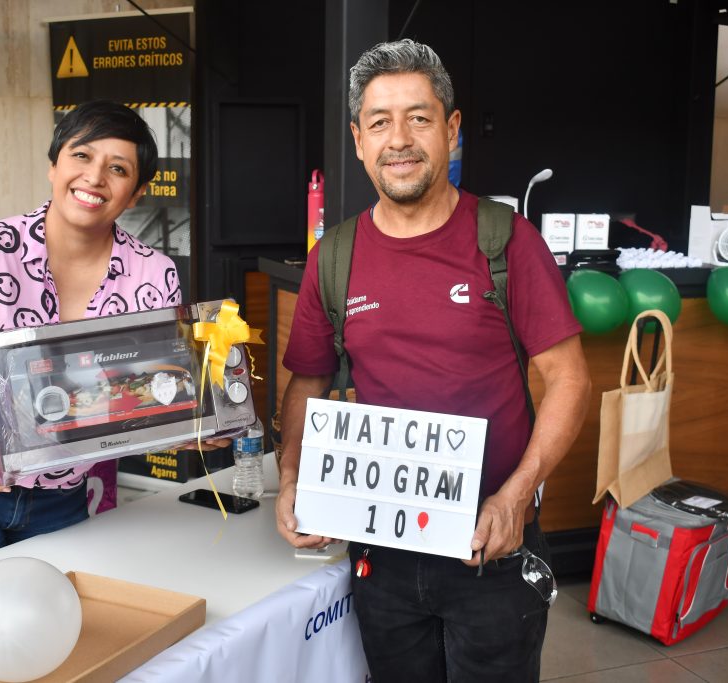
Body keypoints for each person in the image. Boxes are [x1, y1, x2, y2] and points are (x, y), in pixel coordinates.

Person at [275, 40, 591, 682]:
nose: (400, 139)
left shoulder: (506, 242)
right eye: (380, 122)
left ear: (451, 130)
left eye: (419, 118)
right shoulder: (334, 257)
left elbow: (570, 380)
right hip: (380, 551)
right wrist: (291, 479)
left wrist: (515, 496)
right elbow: (306, 380)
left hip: (491, 550)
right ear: (359, 140)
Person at [0, 100, 224, 574]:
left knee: (63, 632)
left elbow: (140, 402)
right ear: (54, 166)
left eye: (118, 168)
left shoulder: (152, 275)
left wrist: (190, 429)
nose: (95, 178)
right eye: (81, 156)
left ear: (136, 194)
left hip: (62, 495)